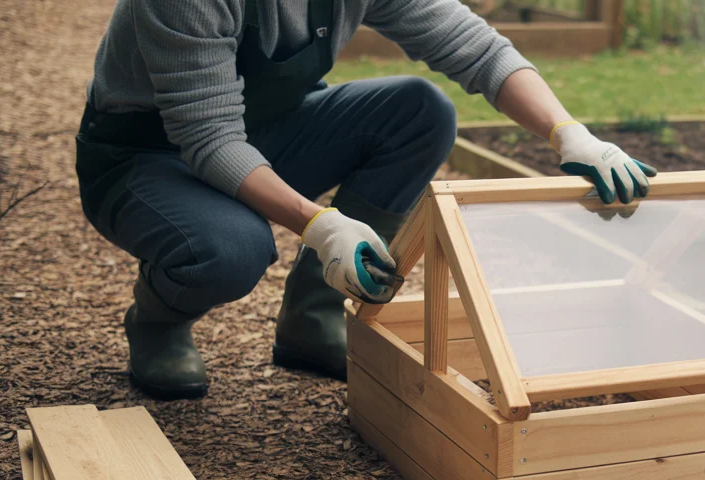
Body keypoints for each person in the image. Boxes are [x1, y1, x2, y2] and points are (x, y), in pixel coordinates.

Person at [76, 0, 657, 399]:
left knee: (419, 112)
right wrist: (322, 224)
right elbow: (209, 138)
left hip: (264, 130)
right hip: (145, 156)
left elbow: (476, 48)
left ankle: (313, 318)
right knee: (231, 250)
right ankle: (158, 322)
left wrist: (568, 133)